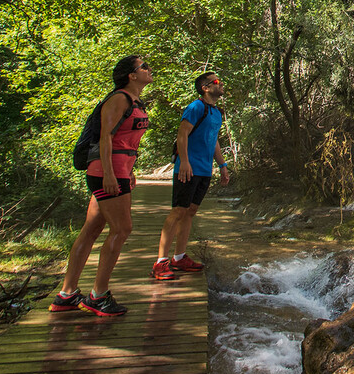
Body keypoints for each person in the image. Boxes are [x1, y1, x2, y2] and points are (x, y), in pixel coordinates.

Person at [48, 55, 153, 317]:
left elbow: (126, 141)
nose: (150, 70)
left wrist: (130, 170)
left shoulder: (136, 102)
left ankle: (67, 294)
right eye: (144, 67)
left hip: (118, 170)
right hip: (107, 172)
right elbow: (105, 136)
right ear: (132, 75)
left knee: (92, 229)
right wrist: (109, 173)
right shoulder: (118, 98)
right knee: (122, 229)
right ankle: (98, 295)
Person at [152, 71, 230, 280]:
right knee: (178, 211)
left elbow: (214, 141)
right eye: (216, 81)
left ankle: (179, 256)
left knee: (191, 211)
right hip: (188, 168)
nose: (221, 84)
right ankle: (160, 262)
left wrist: (222, 165)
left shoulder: (216, 113)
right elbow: (182, 134)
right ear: (205, 87)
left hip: (205, 170)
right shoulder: (196, 107)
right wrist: (184, 162)